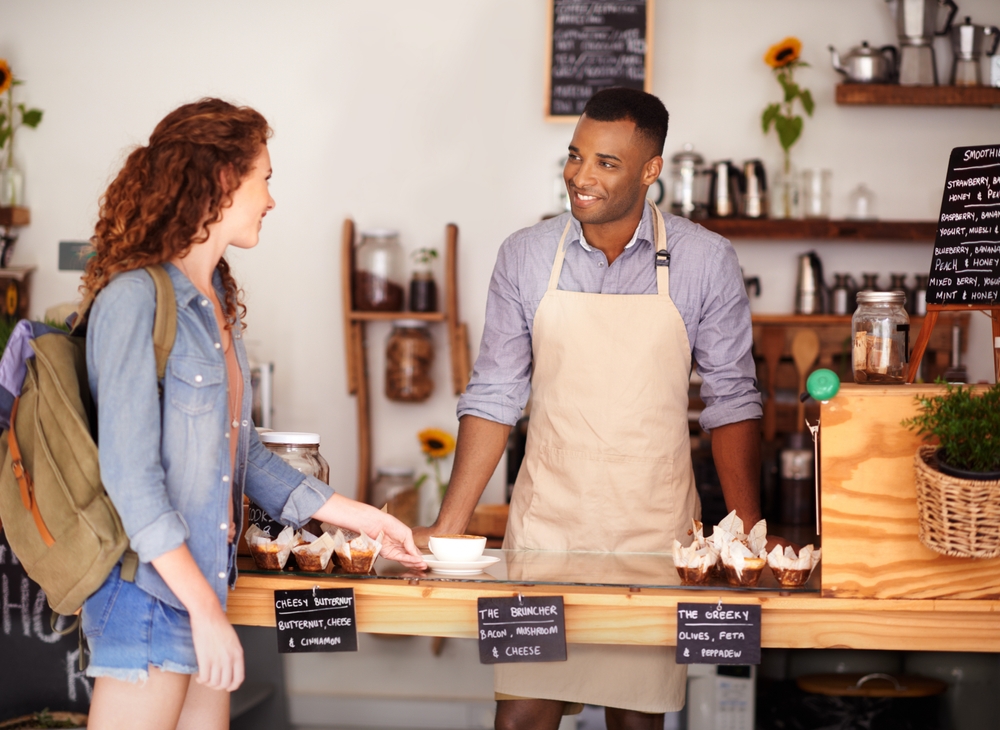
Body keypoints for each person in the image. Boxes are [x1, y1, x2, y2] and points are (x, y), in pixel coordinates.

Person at [413, 87, 781, 730]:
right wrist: (450, 526)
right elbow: (496, 394)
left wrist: (746, 536)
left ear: (650, 170)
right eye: (575, 156)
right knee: (521, 715)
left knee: (636, 720)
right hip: (545, 534)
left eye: (607, 163)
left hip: (654, 534)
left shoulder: (705, 260)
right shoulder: (525, 256)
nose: (581, 177)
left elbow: (732, 400)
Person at [79, 98, 426, 730]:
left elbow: (247, 458)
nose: (271, 199)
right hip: (151, 599)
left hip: (205, 594)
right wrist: (205, 613)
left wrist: (368, 521)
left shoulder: (218, 307)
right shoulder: (132, 301)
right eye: (264, 178)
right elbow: (131, 480)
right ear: (220, 181)